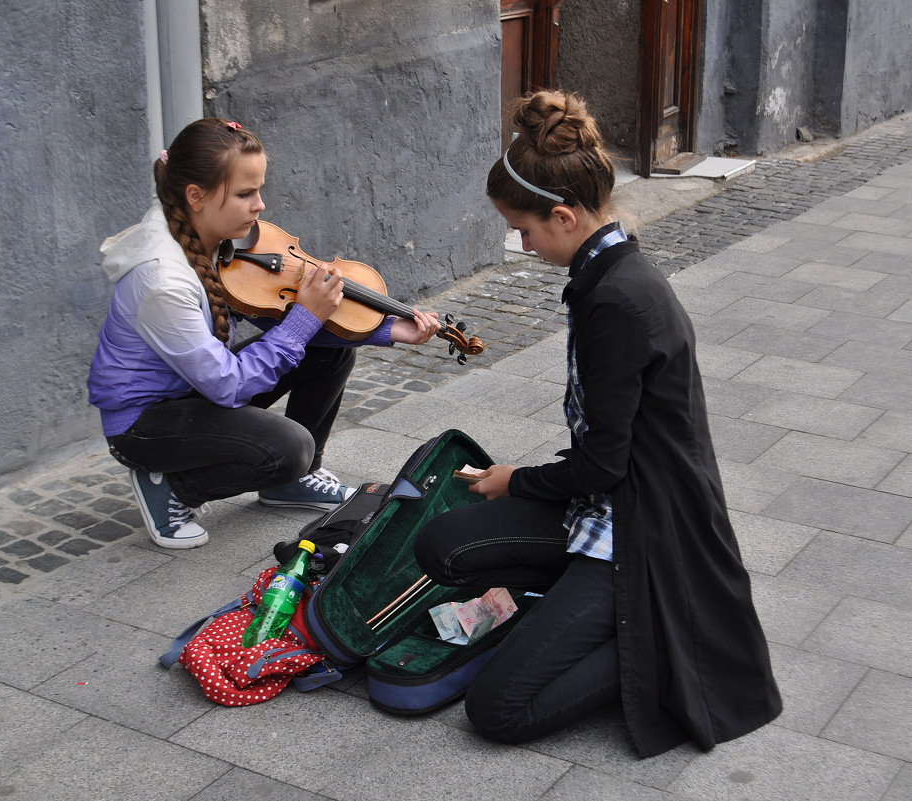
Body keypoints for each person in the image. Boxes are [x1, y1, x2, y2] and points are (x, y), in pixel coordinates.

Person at [414, 91, 781, 758]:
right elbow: (604, 445)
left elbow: (603, 466)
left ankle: (646, 645)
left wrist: (514, 479)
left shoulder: (616, 300)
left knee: (497, 708)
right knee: (441, 544)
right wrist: (517, 483)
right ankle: (582, 612)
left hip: (640, 528)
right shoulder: (604, 272)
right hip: (603, 500)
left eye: (522, 230)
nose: (521, 245)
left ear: (562, 215)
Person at [87, 117, 439, 549]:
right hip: (146, 423)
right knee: (289, 448)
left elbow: (278, 320)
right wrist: (306, 317)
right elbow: (227, 386)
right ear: (195, 197)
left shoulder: (212, 236)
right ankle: (172, 488)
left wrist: (389, 330)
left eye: (259, 190)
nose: (260, 206)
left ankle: (291, 484)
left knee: (328, 352)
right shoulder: (162, 282)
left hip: (194, 391)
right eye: (244, 194)